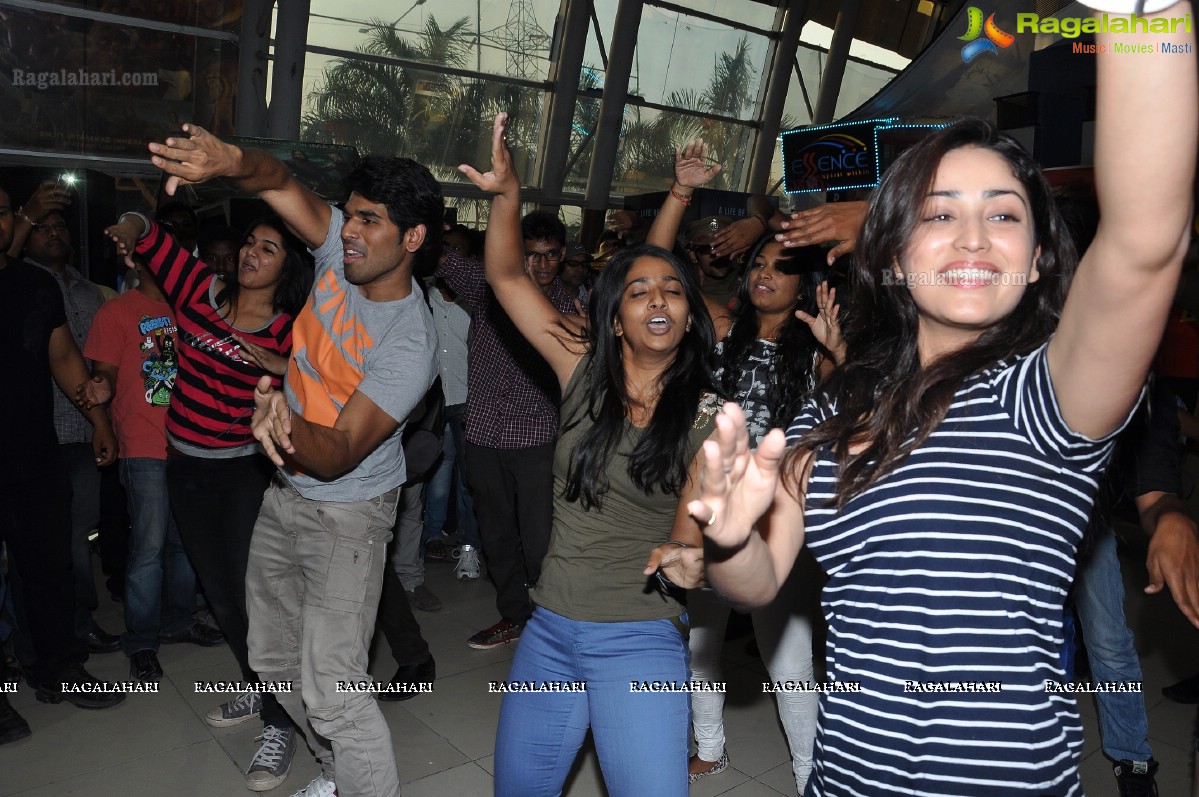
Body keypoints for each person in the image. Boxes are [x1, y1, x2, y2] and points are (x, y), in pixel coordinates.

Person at [688, 8, 1196, 795]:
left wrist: (1147, 16)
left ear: (1033, 263)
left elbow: (1143, 240)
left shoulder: (1044, 404)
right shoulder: (834, 423)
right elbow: (756, 584)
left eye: (1002, 214)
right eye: (938, 213)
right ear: (890, 256)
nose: (970, 236)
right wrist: (726, 539)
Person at [141, 124, 443, 797]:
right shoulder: (343, 251)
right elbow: (277, 182)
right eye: (351, 214)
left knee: (334, 687)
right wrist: (231, 162)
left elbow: (336, 453)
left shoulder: (408, 339)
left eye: (370, 220)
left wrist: (281, 424)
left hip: (350, 514)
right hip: (285, 493)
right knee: (273, 659)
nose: (350, 231)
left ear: (413, 239)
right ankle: (336, 772)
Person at [461, 113, 716, 797]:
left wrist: (691, 544)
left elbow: (700, 501)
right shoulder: (579, 368)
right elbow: (508, 275)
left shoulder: (706, 413)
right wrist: (507, 194)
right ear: (611, 317)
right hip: (548, 630)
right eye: (637, 293)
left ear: (688, 316)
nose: (656, 299)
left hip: (638, 636)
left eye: (671, 293)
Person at [99, 210, 311, 792]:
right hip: (184, 466)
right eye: (250, 241)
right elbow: (149, 234)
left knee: (251, 598)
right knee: (219, 595)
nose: (251, 253)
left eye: (268, 249)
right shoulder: (197, 291)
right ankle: (257, 683)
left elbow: (324, 385)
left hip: (242, 472)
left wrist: (284, 367)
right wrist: (129, 223)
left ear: (286, 268)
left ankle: (279, 719)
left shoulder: (287, 330)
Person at [0, 182, 123, 745]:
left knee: (49, 565)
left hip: (33, 452)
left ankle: (57, 668)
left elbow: (66, 358)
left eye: (1, 212)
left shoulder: (34, 285)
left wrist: (99, 422)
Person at [435, 203, 578, 649]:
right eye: (531, 254)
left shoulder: (569, 306)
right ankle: (514, 616)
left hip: (537, 439)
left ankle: (549, 627)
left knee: (539, 542)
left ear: (563, 255)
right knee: (496, 537)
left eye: (550, 254)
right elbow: (442, 258)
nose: (541, 264)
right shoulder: (490, 288)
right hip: (481, 434)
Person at [83, 251, 217, 683]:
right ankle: (140, 640)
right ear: (137, 263)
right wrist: (100, 393)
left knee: (185, 545)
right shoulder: (117, 311)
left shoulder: (191, 310)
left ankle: (178, 620)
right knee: (149, 547)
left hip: (190, 447)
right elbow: (102, 372)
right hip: (143, 446)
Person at [20, 207, 120, 653]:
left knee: (80, 531)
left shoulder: (92, 293)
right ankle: (46, 632)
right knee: (41, 538)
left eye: (60, 225)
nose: (54, 232)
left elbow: (103, 361)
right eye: (42, 226)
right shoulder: (20, 285)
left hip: (84, 429)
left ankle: (79, 621)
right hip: (35, 433)